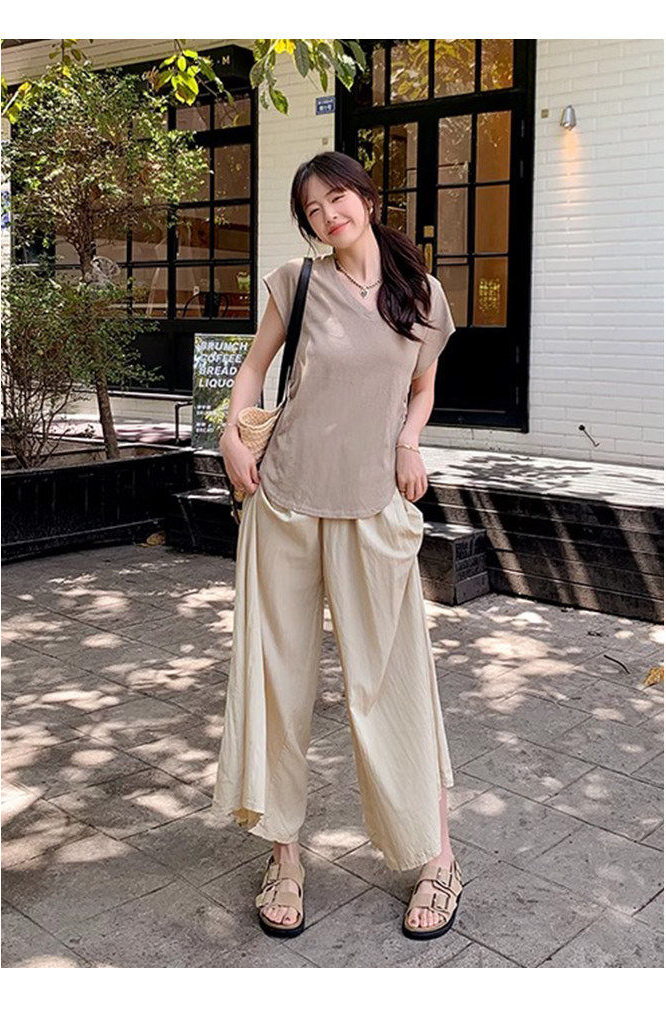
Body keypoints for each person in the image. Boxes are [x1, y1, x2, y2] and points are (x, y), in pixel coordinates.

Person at [212, 151, 462, 941]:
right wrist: (232, 432)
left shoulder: (421, 294)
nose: (328, 215)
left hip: (371, 507)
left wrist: (409, 442)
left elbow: (422, 386)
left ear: (367, 196)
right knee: (276, 682)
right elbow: (254, 369)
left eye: (337, 197)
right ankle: (284, 856)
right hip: (283, 500)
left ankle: (438, 858)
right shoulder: (297, 282)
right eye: (312, 209)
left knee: (393, 684)